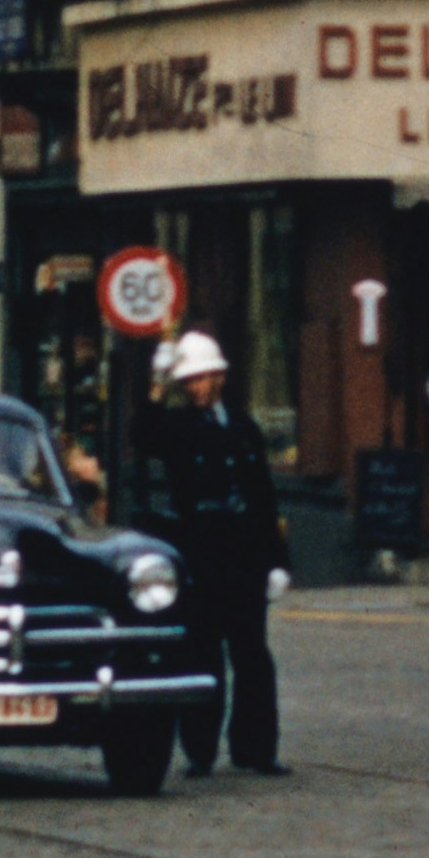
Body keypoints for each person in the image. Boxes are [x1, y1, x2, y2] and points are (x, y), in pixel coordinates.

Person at [134, 332, 289, 777]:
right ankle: (200, 749)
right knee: (202, 653)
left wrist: (278, 561)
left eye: (202, 379)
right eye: (189, 382)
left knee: (253, 655)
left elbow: (263, 496)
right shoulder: (179, 427)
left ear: (219, 377)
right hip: (201, 552)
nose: (196, 388)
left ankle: (256, 749)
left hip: (245, 553)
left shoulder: (242, 427)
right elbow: (142, 434)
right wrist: (156, 387)